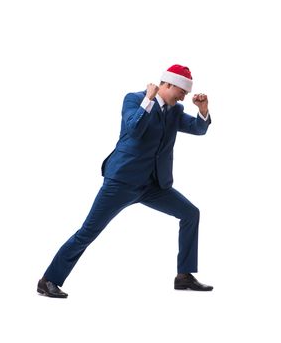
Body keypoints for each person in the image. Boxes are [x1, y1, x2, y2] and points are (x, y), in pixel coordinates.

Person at [38, 64, 213, 298]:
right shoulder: (134, 99)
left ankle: (184, 276)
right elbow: (134, 129)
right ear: (168, 84)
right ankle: (48, 279)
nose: (184, 96)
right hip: (122, 181)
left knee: (191, 213)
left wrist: (203, 110)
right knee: (88, 232)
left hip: (153, 185)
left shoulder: (175, 111)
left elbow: (199, 129)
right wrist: (148, 101)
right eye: (182, 91)